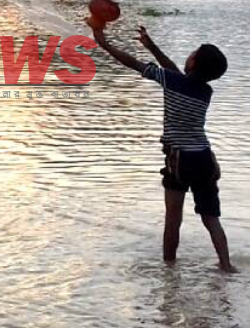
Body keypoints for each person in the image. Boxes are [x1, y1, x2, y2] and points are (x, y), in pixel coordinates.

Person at [92, 24, 236, 273]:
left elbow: (134, 64)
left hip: (179, 160)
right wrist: (152, 46)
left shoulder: (173, 81)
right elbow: (176, 73)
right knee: (211, 219)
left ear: (193, 63)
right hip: (204, 159)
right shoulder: (205, 91)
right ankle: (226, 266)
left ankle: (169, 270)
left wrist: (103, 43)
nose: (189, 54)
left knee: (173, 219)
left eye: (192, 53)